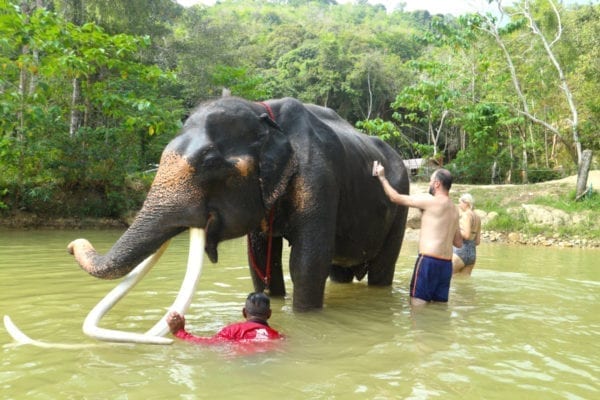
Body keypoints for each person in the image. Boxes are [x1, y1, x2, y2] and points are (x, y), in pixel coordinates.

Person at [374, 164, 462, 306]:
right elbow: (458, 242)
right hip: (446, 265)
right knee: (439, 309)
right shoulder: (455, 210)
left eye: (431, 180)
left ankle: (419, 330)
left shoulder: (430, 201)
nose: (429, 183)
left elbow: (395, 198)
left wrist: (382, 177)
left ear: (437, 184)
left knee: (417, 307)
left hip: (428, 262)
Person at [167, 292, 283, 344]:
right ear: (269, 314)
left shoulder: (233, 330)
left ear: (244, 312)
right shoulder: (277, 336)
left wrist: (179, 332)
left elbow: (208, 343)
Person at [452, 193, 481, 276]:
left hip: (460, 252)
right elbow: (477, 241)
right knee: (463, 283)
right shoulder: (478, 217)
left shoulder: (466, 215)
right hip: (472, 255)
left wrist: (455, 230)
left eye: (460, 202)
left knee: (445, 277)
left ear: (466, 203)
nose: (459, 205)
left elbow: (467, 235)